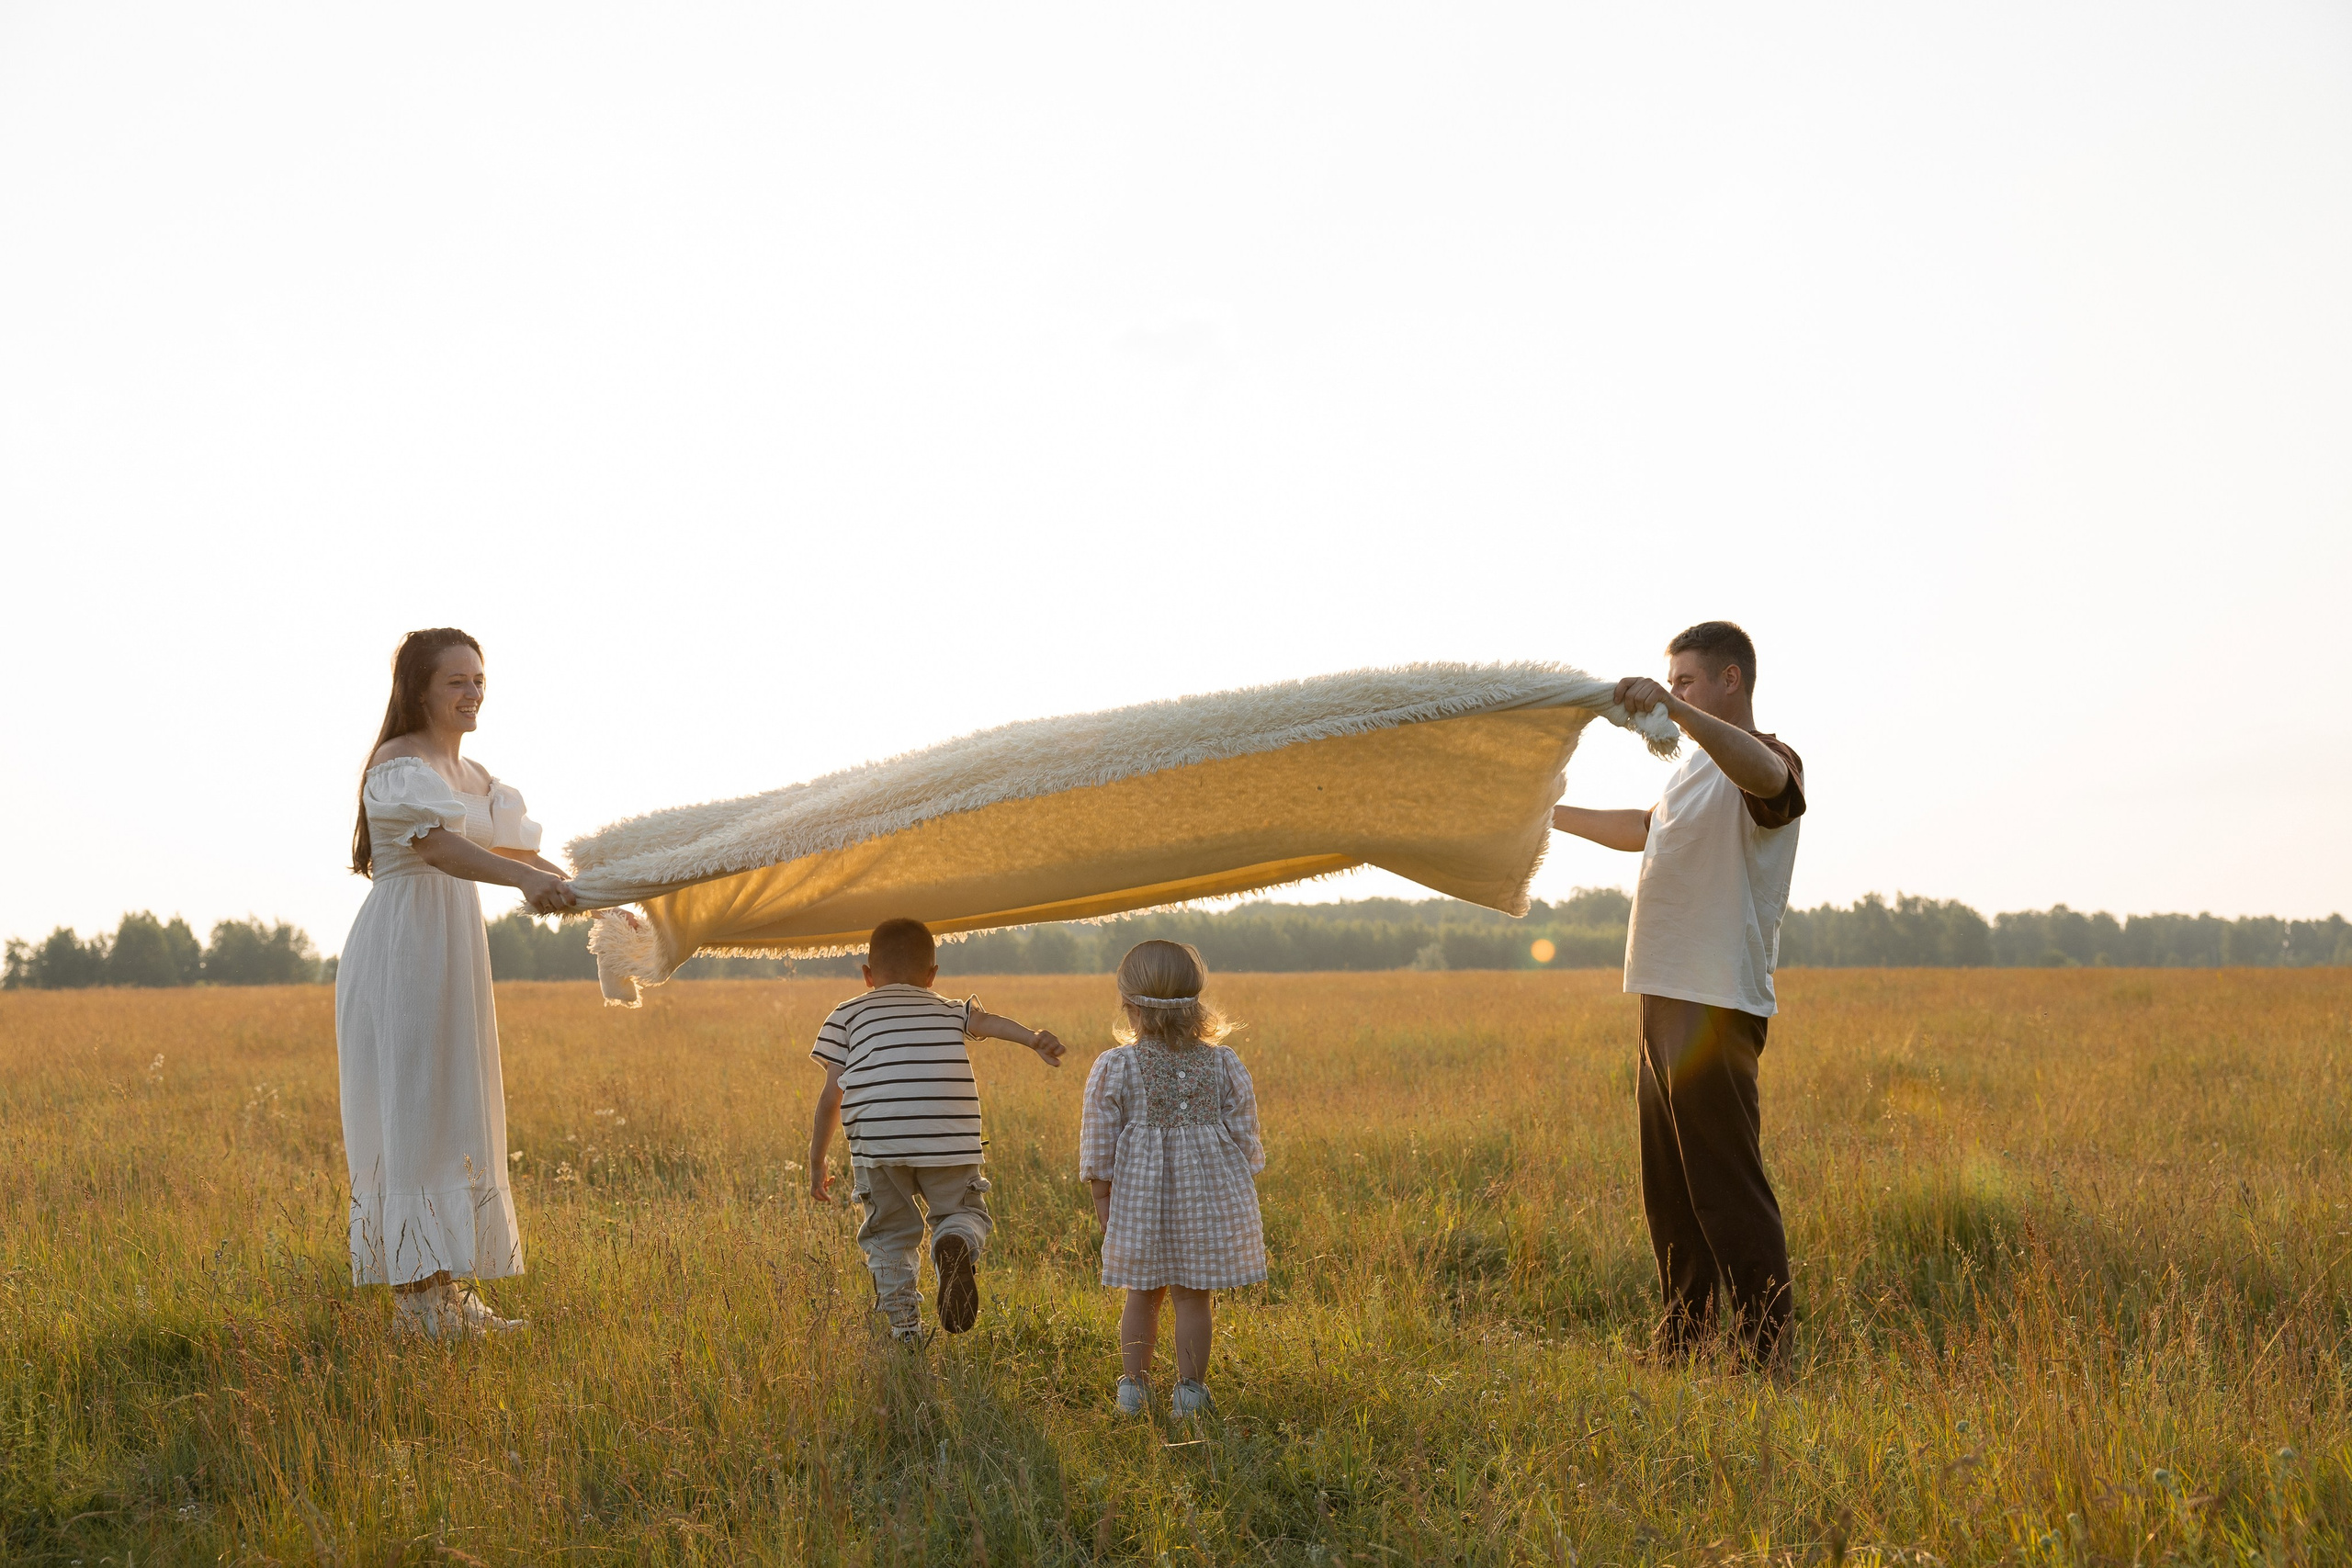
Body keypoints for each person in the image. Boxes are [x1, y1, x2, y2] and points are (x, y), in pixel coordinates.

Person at [1552, 620, 1805, 1364]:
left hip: (1715, 1000)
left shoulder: (1770, 759)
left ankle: (1765, 1356)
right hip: (1661, 996)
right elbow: (1643, 827)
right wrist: (1546, 817)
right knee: (1670, 1192)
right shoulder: (1689, 775)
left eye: (1687, 681)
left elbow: (1769, 783)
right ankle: (1683, 1343)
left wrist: (1678, 710)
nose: (1674, 698)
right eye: (1674, 685)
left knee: (1726, 1186)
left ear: (1731, 680)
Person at [339, 627, 578, 1339]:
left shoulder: (480, 779)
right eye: (457, 681)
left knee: (452, 1103)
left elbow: (527, 854)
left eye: (479, 680)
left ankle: (442, 1293)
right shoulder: (398, 763)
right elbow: (439, 846)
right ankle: (415, 1303)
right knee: (412, 1107)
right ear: (419, 690)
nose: (473, 692)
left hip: (454, 949)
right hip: (402, 947)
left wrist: (604, 897)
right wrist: (527, 880)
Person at [807, 919, 1066, 1343]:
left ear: (868, 975)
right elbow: (987, 1022)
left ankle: (905, 1331)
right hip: (949, 1140)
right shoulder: (948, 1008)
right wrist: (1033, 1038)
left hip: (879, 1145)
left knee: (889, 1236)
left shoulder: (847, 1014)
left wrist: (817, 1160)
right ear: (932, 976)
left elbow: (830, 1097)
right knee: (964, 1211)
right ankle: (955, 1239)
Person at [1080, 940, 1266, 1418]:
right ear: (1196, 1001)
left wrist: (1102, 1196)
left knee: (1142, 1292)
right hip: (1205, 1196)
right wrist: (1240, 1184)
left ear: (1129, 1005)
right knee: (1192, 1294)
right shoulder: (1222, 1062)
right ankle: (1189, 1393)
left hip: (1138, 1197)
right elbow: (1244, 1133)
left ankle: (1134, 1392)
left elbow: (1099, 1139)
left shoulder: (1116, 1066)